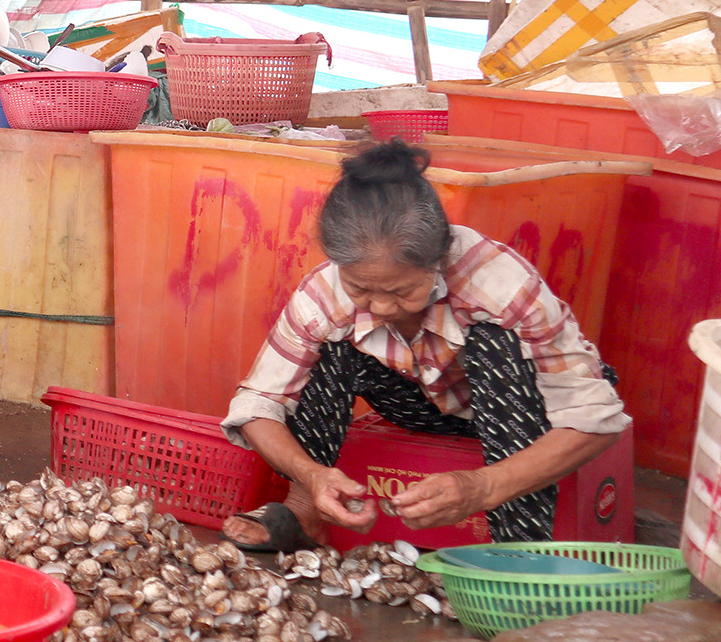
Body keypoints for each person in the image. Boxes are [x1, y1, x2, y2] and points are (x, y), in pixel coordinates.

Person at [219, 139, 629, 552]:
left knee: (494, 343)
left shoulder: (498, 284)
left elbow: (595, 416)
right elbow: (257, 405)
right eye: (361, 288)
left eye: (402, 291)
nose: (380, 306)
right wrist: (310, 474)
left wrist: (481, 487)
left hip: (519, 407)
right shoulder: (325, 294)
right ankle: (307, 510)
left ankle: (517, 549)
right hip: (420, 404)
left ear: (438, 258)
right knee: (333, 345)